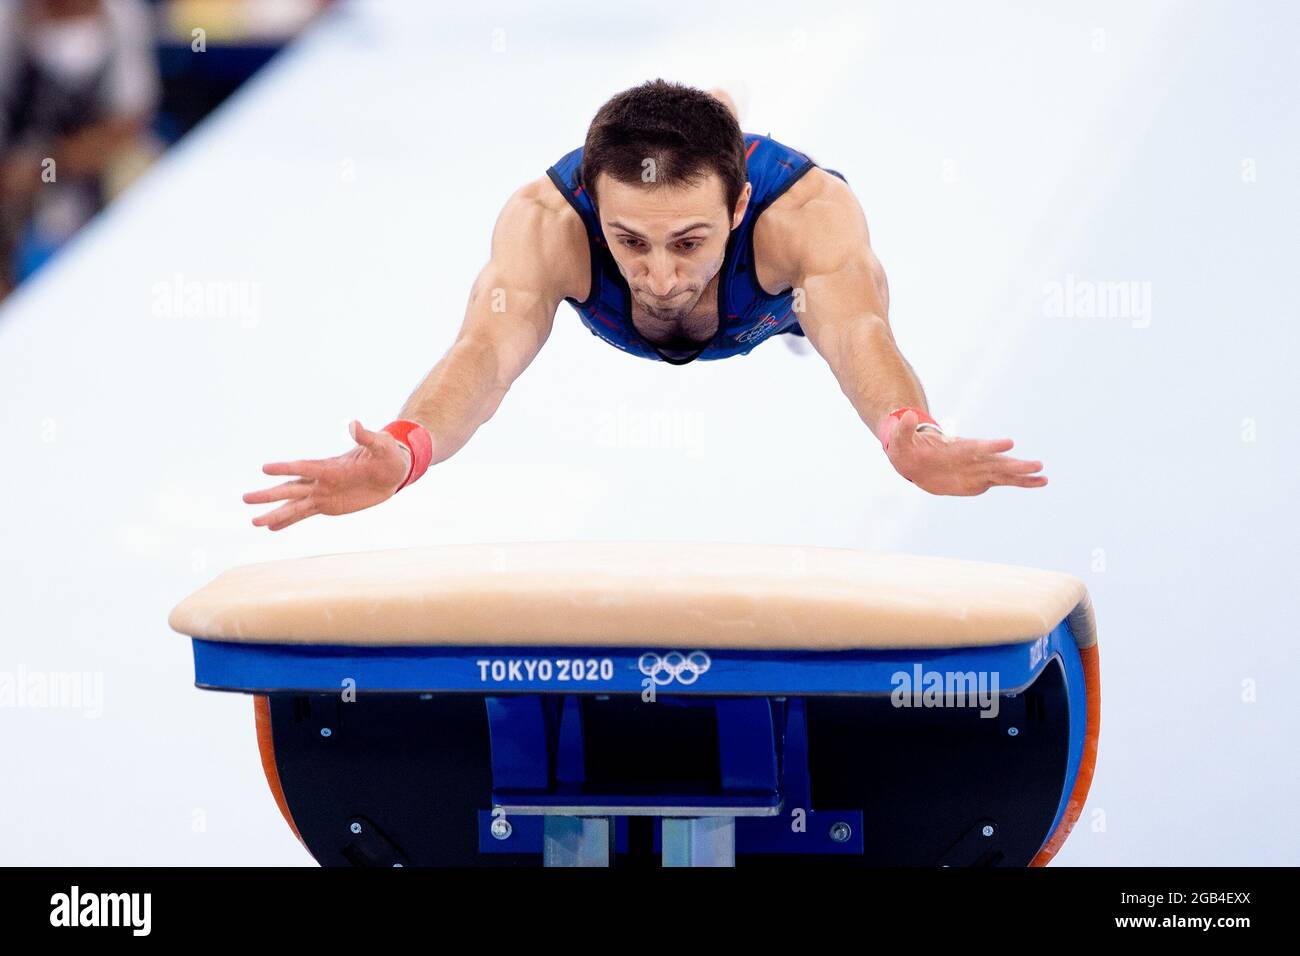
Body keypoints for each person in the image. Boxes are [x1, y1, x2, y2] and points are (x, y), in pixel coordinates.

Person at [245, 79, 1047, 531]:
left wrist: (912, 433)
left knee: (838, 307)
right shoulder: (547, 222)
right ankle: (706, 114)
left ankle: (717, 121)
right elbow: (483, 357)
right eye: (629, 241)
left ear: (737, 212)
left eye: (689, 243)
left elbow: (861, 333)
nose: (659, 276)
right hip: (701, 259)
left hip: (769, 303)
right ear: (594, 206)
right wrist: (406, 447)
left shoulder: (801, 215)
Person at [0, 0, 158, 298]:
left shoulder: (122, 16)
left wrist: (50, 165)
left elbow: (130, 122)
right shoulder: (10, 19)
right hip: (17, 184)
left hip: (90, 179)